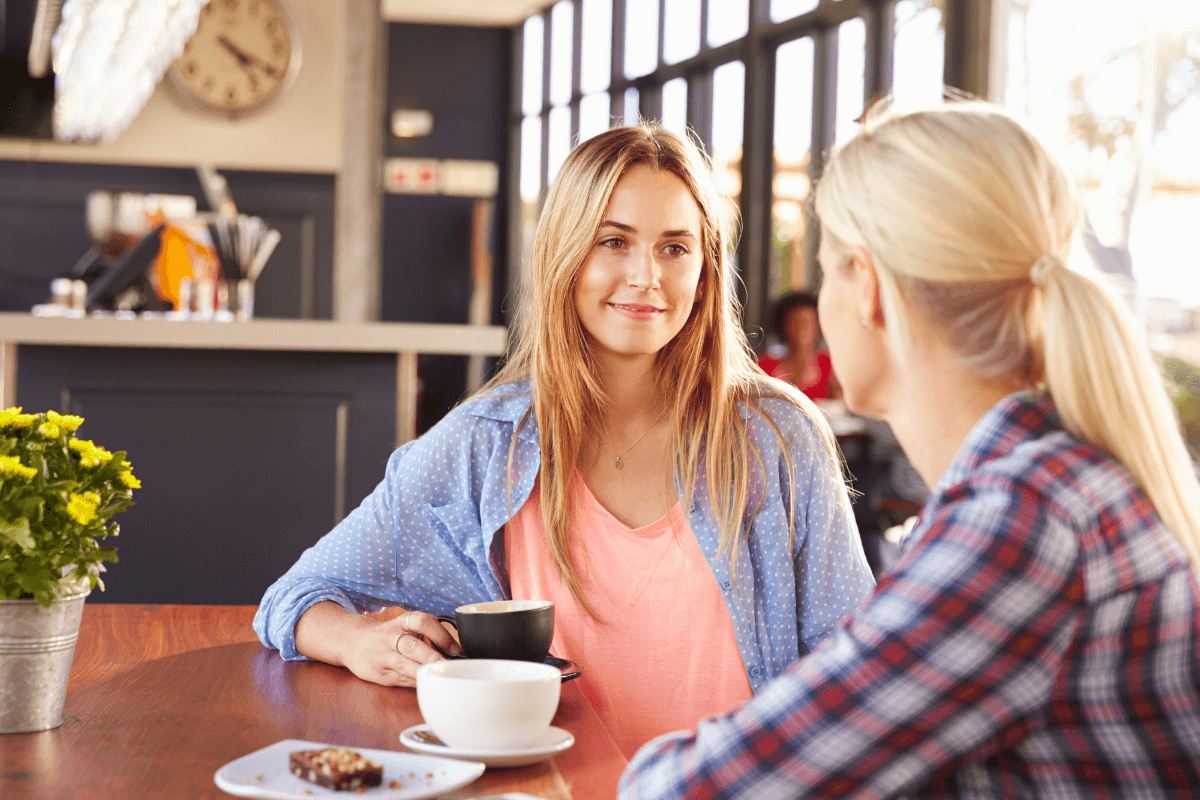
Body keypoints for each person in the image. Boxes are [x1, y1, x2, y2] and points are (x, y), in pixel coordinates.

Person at [619, 100, 1200, 797]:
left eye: (830, 270)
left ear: (868, 289)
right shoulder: (1058, 477)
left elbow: (692, 790)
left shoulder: (1021, 521)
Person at [253, 124, 875, 757]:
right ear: (565, 253)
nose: (645, 277)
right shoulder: (486, 444)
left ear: (706, 268)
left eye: (675, 248)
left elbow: (854, 672)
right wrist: (361, 643)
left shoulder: (777, 438)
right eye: (614, 241)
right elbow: (294, 599)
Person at [757, 291, 837, 400]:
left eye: (808, 322)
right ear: (782, 325)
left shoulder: (828, 363)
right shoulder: (764, 365)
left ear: (819, 326)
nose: (801, 328)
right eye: (794, 322)